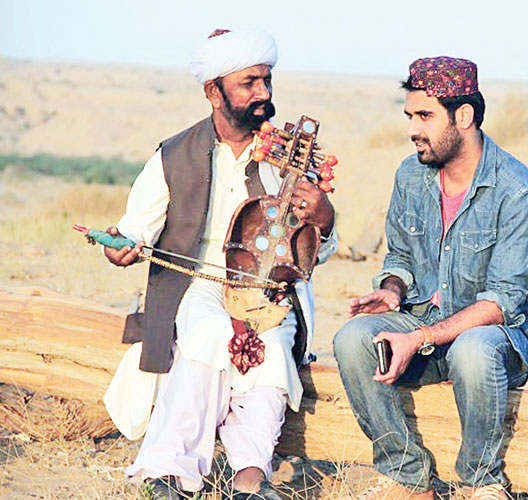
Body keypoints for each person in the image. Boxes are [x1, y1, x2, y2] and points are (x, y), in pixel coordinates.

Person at [101, 29, 337, 500]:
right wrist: (118, 248)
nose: (263, 93)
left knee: (271, 349)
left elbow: (317, 253)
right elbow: (133, 231)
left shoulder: (288, 157)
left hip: (268, 287)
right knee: (210, 333)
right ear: (214, 91)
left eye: (267, 80)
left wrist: (325, 219)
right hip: (196, 283)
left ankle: (250, 479)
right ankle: (168, 472)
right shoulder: (175, 155)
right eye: (249, 83)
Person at [332, 56, 528, 500]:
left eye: (425, 116)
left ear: (463, 116)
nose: (413, 129)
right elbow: (400, 255)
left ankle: (481, 481)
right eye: (409, 115)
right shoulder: (411, 174)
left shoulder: (517, 190)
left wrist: (419, 338)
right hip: (424, 324)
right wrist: (391, 290)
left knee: (473, 348)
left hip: (495, 342)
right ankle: (408, 477)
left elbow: (503, 302)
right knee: (352, 338)